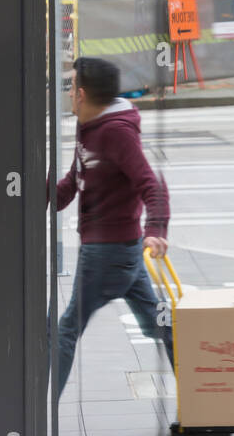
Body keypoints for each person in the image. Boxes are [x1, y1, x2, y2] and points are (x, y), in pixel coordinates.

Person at [53, 56, 174, 394]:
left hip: (107, 252)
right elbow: (73, 181)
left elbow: (151, 184)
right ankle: (200, 401)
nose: (68, 92)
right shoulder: (88, 125)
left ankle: (42, 409)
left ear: (81, 93)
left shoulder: (115, 132)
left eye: (71, 85)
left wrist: (157, 230)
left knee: (67, 330)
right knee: (160, 327)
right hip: (124, 249)